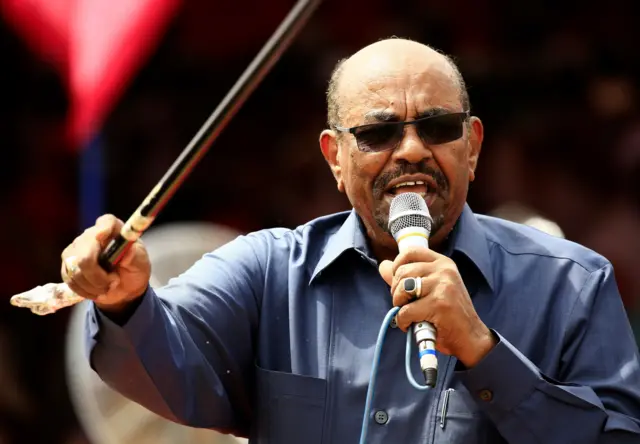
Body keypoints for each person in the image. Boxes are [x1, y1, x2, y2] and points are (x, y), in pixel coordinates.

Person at [63, 38, 640, 443]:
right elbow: (167, 372)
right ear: (335, 158)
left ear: (474, 146)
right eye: (379, 132)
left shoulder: (573, 283)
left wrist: (485, 354)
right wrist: (125, 299)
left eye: (437, 127)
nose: (412, 149)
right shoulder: (269, 273)